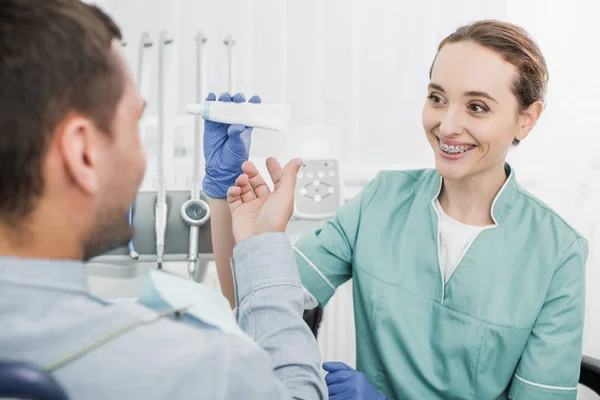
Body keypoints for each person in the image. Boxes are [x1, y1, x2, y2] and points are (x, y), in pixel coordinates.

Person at [210, 20, 588, 399]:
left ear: (526, 118)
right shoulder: (381, 201)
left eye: (476, 107)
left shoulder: (557, 253)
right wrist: (224, 194)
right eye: (437, 98)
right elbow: (257, 300)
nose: (447, 125)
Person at [0, 1, 327, 398]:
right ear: (82, 151)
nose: (140, 157)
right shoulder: (198, 369)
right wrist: (264, 246)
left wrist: (222, 201)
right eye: (134, 125)